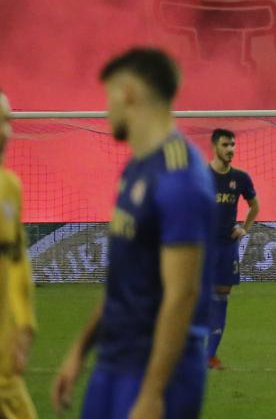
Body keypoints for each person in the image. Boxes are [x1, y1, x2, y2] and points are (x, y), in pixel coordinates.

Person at [52, 48, 217, 419]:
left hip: (157, 372)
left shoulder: (182, 178)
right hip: (112, 362)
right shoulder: (136, 169)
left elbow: (182, 294)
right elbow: (122, 281)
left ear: (127, 92)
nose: (106, 108)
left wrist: (152, 393)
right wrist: (79, 351)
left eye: (108, 95)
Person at [204, 130, 257, 370]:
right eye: (226, 144)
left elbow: (254, 206)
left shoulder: (241, 178)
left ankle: (210, 355)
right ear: (214, 146)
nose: (231, 149)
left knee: (222, 296)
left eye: (233, 145)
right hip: (202, 246)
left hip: (226, 246)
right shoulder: (200, 175)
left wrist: (244, 228)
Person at [0, 91, 38, 419]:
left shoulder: (10, 186)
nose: (5, 132)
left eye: (8, 122)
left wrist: (25, 324)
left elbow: (17, 260)